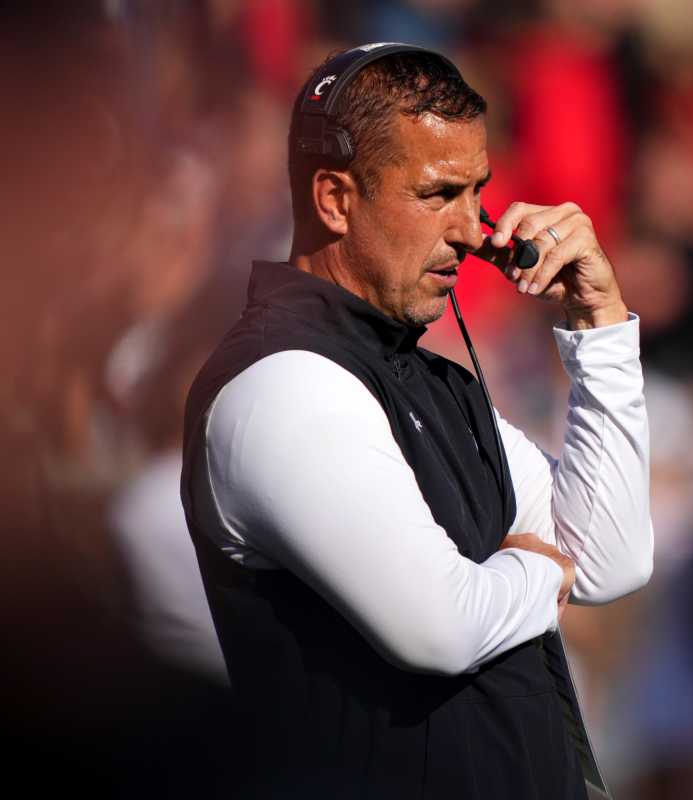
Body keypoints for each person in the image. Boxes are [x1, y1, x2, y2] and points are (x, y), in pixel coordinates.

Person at [179, 45, 653, 798]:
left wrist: (599, 326)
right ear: (335, 199)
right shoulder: (281, 385)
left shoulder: (429, 378)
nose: (472, 230)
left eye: (478, 192)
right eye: (438, 194)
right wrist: (538, 571)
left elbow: (610, 558)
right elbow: (438, 627)